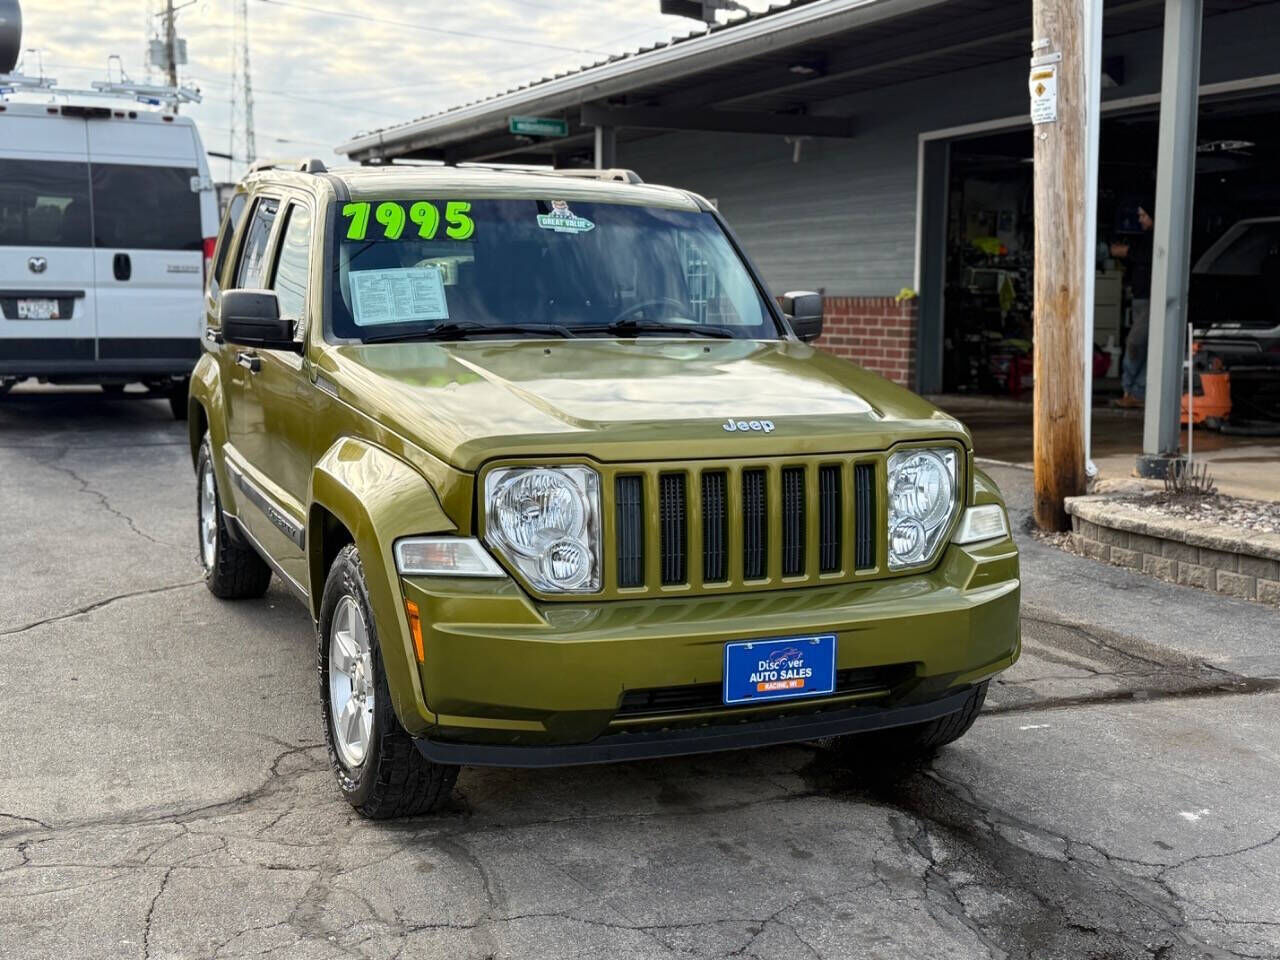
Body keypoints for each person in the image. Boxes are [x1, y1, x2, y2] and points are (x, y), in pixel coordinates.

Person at [1110, 201, 1154, 408]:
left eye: (1144, 215)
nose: (1140, 220)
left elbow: (1143, 254)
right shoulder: (1144, 239)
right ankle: (1134, 391)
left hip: (1150, 300)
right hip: (1140, 298)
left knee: (1136, 343)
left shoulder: (1157, 238)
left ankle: (1136, 390)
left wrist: (1126, 252)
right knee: (1142, 345)